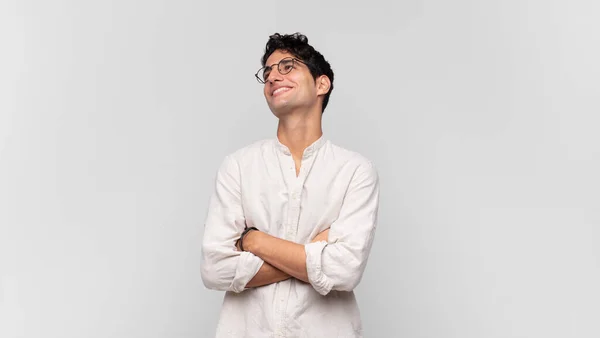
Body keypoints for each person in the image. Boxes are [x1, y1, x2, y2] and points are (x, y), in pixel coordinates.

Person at [200, 32, 380, 337]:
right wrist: (314, 253)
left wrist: (254, 242)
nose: (272, 77)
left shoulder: (355, 171)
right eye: (268, 72)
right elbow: (214, 268)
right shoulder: (239, 167)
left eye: (287, 66)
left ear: (322, 84)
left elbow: (346, 270)